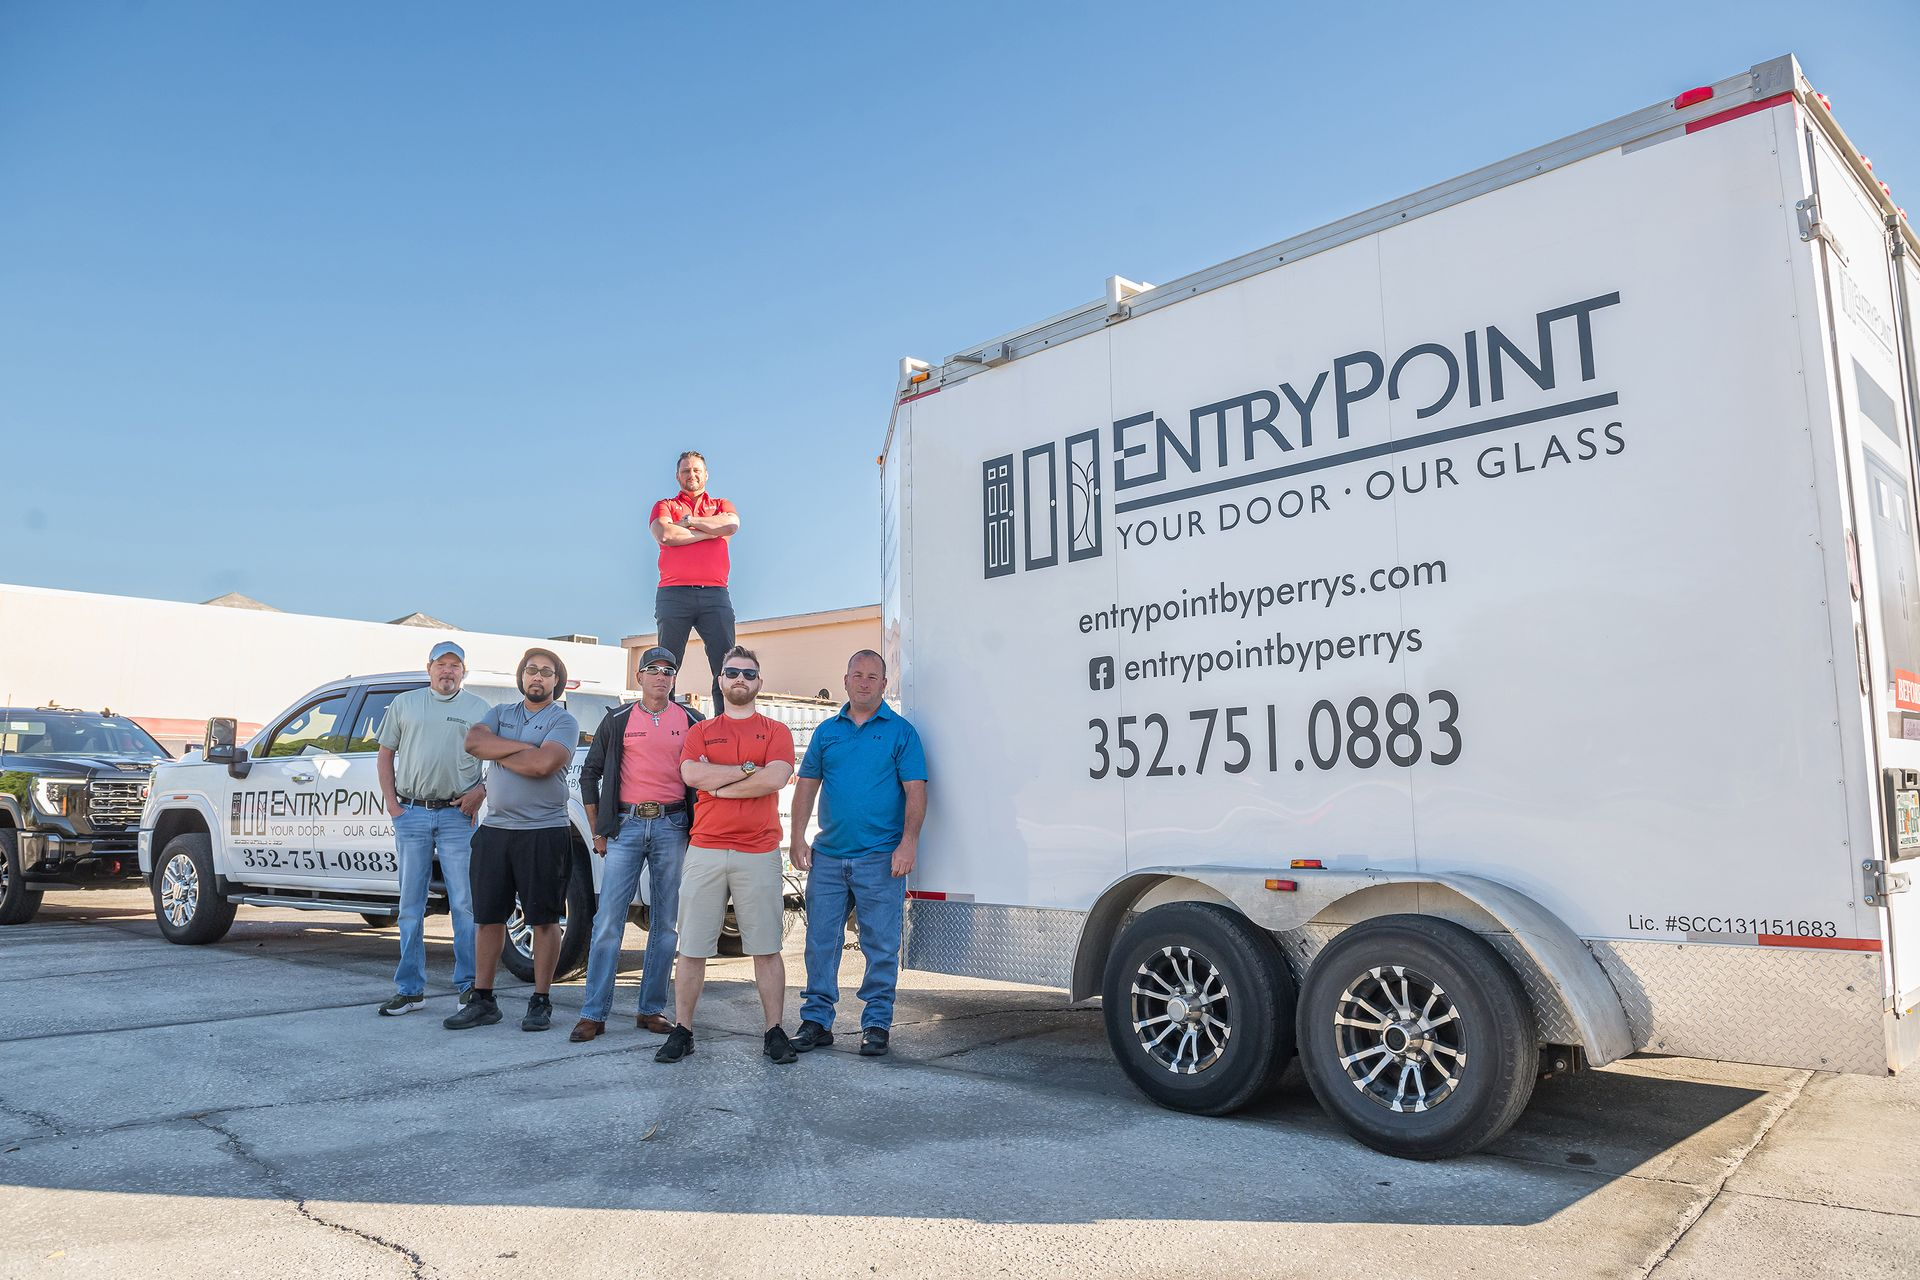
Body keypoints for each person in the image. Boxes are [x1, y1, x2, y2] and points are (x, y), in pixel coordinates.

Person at [655, 646, 798, 1065]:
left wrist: (718, 786)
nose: (740, 680)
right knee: (692, 947)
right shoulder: (701, 731)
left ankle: (774, 1031)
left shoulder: (776, 730)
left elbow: (775, 777)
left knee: (766, 948)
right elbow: (690, 773)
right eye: (732, 672)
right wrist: (749, 770)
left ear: (759, 682)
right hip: (706, 849)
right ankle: (683, 1030)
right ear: (720, 681)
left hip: (760, 850)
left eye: (749, 674)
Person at [789, 650, 928, 1057]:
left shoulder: (901, 733)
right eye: (857, 675)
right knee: (820, 942)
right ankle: (816, 1021)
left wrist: (908, 843)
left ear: (884, 684)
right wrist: (797, 838)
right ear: (845, 680)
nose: (864, 682)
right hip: (828, 857)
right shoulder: (826, 732)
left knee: (880, 945)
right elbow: (806, 787)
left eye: (872, 676)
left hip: (880, 858)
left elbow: (916, 792)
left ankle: (876, 1024)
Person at [571, 646, 704, 1042]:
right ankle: (593, 1013)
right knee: (608, 922)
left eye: (668, 671)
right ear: (639, 677)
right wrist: (597, 829)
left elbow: (703, 775)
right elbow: (590, 774)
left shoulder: (692, 721)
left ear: (674, 679)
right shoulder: (618, 719)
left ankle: (651, 1009)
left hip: (673, 825)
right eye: (653, 669)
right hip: (626, 826)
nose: (661, 676)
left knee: (666, 924)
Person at [444, 647, 580, 1033]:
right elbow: (474, 742)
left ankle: (541, 1001)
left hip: (544, 832)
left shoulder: (563, 720)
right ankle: (483, 1000)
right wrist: (525, 748)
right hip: (496, 831)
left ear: (557, 681)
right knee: (488, 917)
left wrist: (500, 749)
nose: (537, 676)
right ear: (521, 676)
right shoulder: (500, 713)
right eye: (531, 670)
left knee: (544, 919)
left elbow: (543, 765)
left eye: (546, 672)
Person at [374, 640, 489, 1016]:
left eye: (455, 665)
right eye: (441, 664)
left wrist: (481, 791)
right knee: (410, 906)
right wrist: (394, 806)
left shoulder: (479, 709)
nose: (448, 671)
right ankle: (410, 990)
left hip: (458, 817)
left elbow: (498, 760)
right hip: (412, 814)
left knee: (464, 905)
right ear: (429, 668)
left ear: (464, 672)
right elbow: (385, 755)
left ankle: (469, 986)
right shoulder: (405, 704)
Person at [650, 450, 740, 710]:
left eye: (697, 470)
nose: (692, 475)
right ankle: (662, 719)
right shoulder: (665, 505)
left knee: (725, 665)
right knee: (666, 664)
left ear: (706, 475)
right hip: (673, 594)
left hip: (715, 594)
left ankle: (725, 721)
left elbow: (731, 525)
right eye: (686, 470)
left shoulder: (722, 504)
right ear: (678, 476)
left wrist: (689, 523)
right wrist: (711, 532)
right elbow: (665, 534)